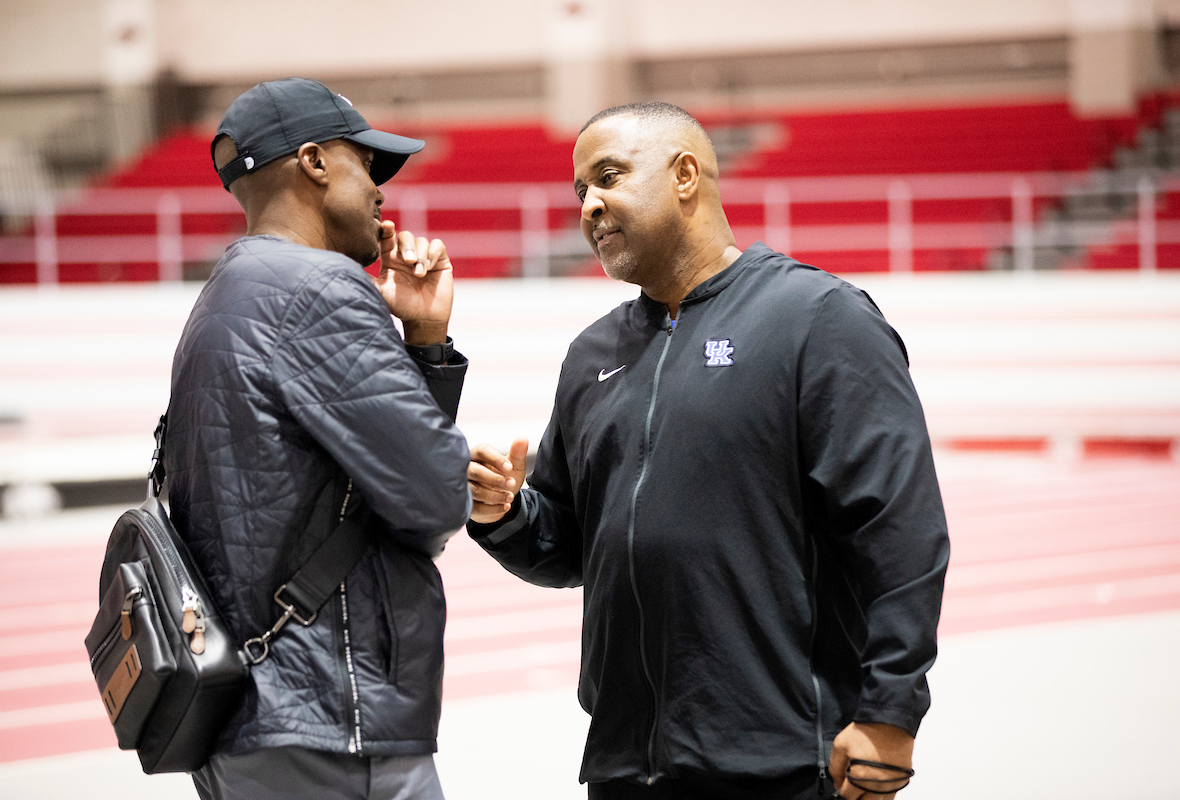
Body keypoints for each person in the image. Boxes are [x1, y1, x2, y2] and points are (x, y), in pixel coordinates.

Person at [466, 102, 950, 800]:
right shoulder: (592, 355)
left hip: (784, 760)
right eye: (580, 192)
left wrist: (890, 712)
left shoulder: (816, 318)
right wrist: (504, 513)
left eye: (608, 177)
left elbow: (899, 530)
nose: (589, 206)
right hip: (625, 765)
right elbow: (570, 544)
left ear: (686, 174)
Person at [166, 78, 471, 800]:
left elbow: (360, 484)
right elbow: (433, 498)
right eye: (367, 165)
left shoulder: (229, 292)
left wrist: (423, 342)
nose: (381, 193)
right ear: (313, 162)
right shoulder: (319, 289)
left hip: (248, 716)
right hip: (329, 718)